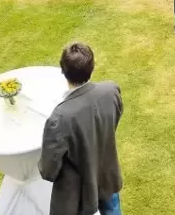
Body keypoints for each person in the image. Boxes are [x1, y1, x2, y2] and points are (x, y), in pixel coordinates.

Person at [39, 43, 124, 215]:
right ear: (92, 67)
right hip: (107, 172)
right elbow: (113, 119)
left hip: (79, 191)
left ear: (62, 71)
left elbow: (48, 170)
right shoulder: (111, 91)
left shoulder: (59, 118)